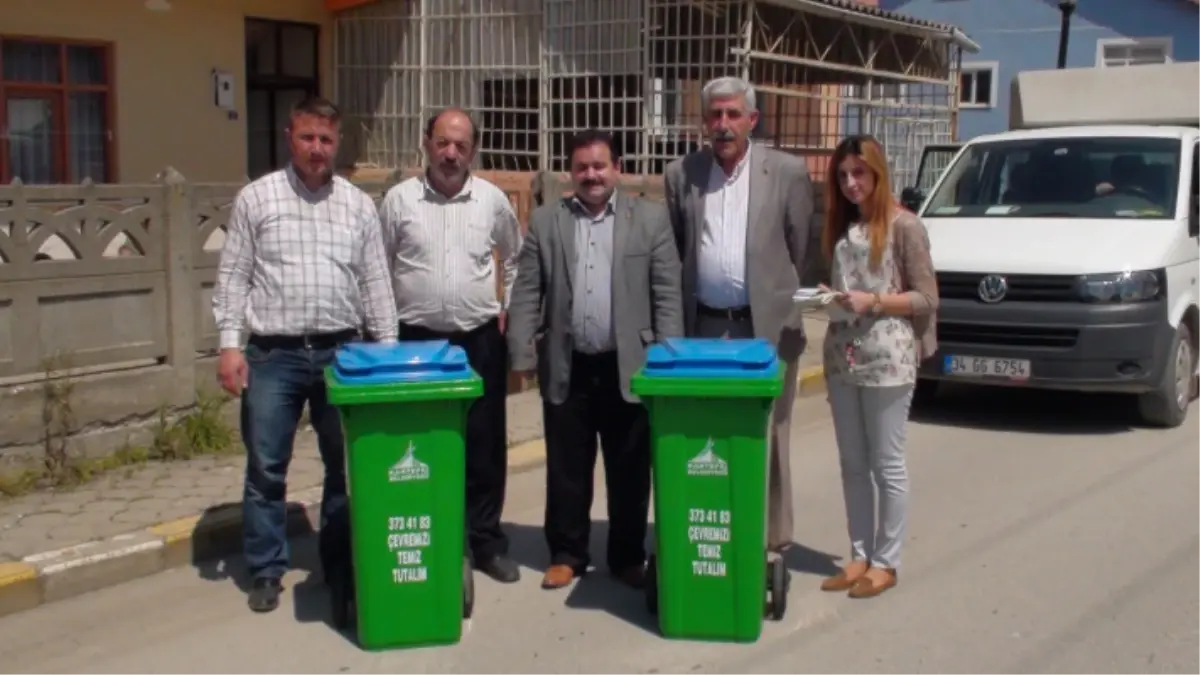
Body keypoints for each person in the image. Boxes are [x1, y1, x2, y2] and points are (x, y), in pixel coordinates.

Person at [212, 96, 399, 613]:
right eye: (308, 137)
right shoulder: (257, 198)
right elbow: (233, 278)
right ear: (289, 138)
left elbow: (376, 284)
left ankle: (339, 566)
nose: (317, 148)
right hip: (275, 355)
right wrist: (230, 346)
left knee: (344, 468)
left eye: (327, 139)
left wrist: (385, 356)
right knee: (267, 466)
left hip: (343, 355)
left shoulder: (358, 205)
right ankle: (267, 568)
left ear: (337, 143)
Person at [507, 129, 683, 590]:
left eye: (599, 165)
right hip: (569, 363)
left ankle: (626, 555)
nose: (591, 175)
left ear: (617, 168)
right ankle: (567, 553)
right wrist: (522, 352)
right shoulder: (547, 222)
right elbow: (527, 290)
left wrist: (669, 358)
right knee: (568, 468)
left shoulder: (650, 219)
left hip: (631, 365)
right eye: (582, 167)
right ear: (571, 172)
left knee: (629, 467)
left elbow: (666, 292)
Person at [663, 76, 814, 554]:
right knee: (708, 429)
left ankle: (772, 533)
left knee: (771, 428)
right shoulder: (680, 173)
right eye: (715, 115)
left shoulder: (787, 172)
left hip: (766, 326)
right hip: (704, 325)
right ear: (703, 121)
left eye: (733, 115)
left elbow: (800, 248)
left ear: (753, 119)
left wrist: (779, 300)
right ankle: (711, 520)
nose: (723, 125)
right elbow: (677, 247)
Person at [379, 108, 523, 584]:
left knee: (483, 448)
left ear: (473, 150)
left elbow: (518, 258)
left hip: (478, 341)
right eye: (443, 142)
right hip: (414, 342)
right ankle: (430, 535)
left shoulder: (492, 201)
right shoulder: (399, 201)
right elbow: (377, 269)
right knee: (419, 447)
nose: (450, 153)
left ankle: (485, 543)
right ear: (426, 142)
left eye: (461, 145)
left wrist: (508, 309)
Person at [817, 134, 938, 599]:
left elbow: (927, 297)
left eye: (858, 173)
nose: (850, 184)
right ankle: (859, 554)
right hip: (843, 354)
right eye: (843, 175)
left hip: (889, 357)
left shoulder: (906, 226)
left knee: (886, 462)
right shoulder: (844, 226)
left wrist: (877, 301)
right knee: (852, 463)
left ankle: (887, 561)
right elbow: (845, 286)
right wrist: (827, 298)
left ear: (877, 172)